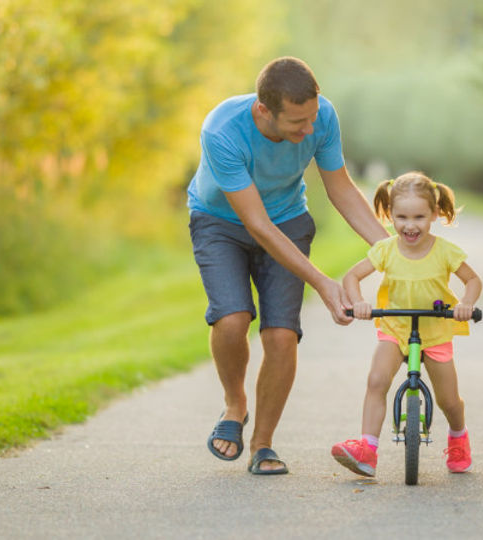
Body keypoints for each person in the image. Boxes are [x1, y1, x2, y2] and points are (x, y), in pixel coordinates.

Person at [187, 57, 388, 475]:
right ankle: (235, 402)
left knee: (281, 335)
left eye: (313, 116)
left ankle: (262, 444)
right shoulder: (222, 131)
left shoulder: (322, 115)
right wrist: (321, 283)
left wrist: (392, 252)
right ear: (264, 111)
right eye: (298, 121)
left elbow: (341, 189)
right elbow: (256, 224)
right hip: (220, 222)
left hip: (289, 217)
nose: (309, 130)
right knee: (231, 318)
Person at [331, 171, 483, 477]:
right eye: (401, 217)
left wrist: (466, 304)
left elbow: (472, 280)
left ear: (434, 214)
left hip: (436, 330)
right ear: (389, 214)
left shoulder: (444, 251)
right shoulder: (386, 249)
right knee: (376, 380)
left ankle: (458, 437)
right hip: (396, 329)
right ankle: (367, 449)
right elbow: (352, 276)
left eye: (418, 217)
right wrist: (358, 301)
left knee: (449, 401)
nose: (409, 226)